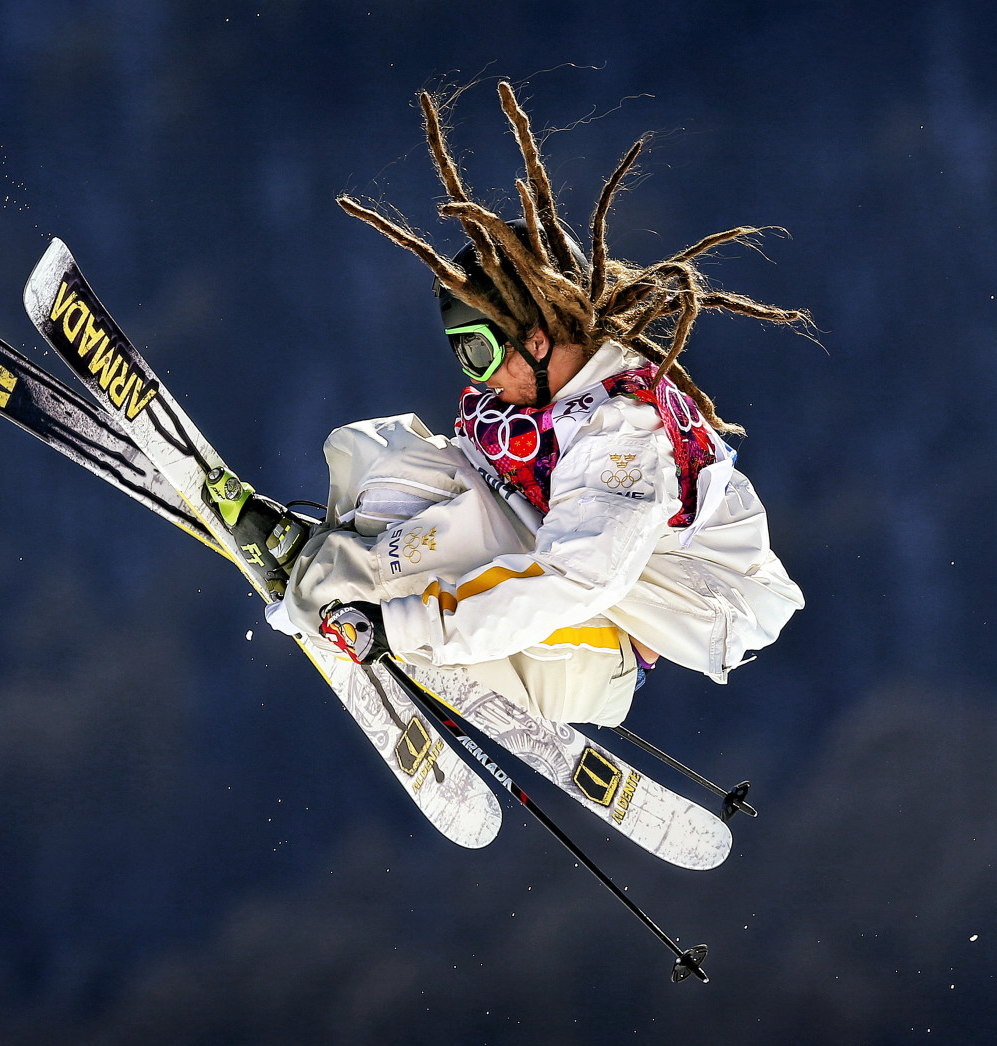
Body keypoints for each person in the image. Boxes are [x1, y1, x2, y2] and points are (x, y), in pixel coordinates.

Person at [258, 82, 810, 731]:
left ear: (537, 337)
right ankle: (336, 574)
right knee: (389, 459)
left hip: (705, 601)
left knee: (477, 529)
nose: (478, 378)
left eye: (478, 353)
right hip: (604, 563)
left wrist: (402, 625)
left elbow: (575, 577)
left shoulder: (622, 435)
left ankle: (589, 670)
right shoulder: (554, 395)